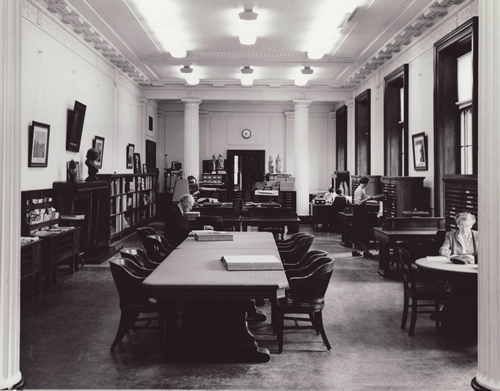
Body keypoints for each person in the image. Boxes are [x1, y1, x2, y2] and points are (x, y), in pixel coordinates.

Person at [352, 176, 373, 257]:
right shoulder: (359, 190)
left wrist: (366, 197)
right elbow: (358, 203)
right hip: (359, 213)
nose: (367, 184)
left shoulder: (360, 190)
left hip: (359, 212)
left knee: (358, 231)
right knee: (361, 231)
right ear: (365, 182)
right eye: (367, 183)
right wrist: (367, 199)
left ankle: (359, 250)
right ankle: (365, 251)